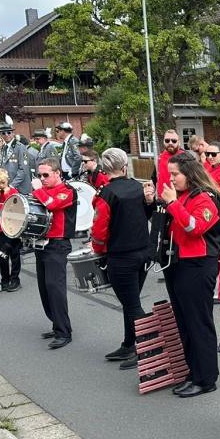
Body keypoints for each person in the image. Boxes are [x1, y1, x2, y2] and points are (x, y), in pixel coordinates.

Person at [160, 150, 220, 397]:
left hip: (198, 265)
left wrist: (173, 203)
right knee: (184, 322)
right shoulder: (183, 194)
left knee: (198, 323)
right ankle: (193, 371)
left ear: (189, 173)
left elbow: (194, 227)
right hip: (179, 263)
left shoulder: (205, 197)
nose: (172, 179)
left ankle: (206, 377)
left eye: (175, 174)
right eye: (170, 174)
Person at [90, 148, 152, 369]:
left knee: (132, 304)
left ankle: (147, 348)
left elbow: (99, 230)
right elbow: (147, 214)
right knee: (130, 301)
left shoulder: (106, 194)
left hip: (121, 257)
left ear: (106, 170)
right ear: (124, 166)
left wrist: (97, 249)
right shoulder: (138, 187)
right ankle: (129, 344)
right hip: (142, 253)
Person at [31, 159, 78, 348]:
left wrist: (37, 190)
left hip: (58, 244)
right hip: (41, 243)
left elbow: (51, 205)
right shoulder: (43, 190)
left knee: (55, 288)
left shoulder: (68, 191)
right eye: (39, 175)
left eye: (45, 175)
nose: (41, 179)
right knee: (45, 288)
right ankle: (56, 323)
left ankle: (64, 332)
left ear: (57, 173)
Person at [153, 130, 183, 195]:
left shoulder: (185, 157)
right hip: (162, 198)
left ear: (179, 142)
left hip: (177, 198)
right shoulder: (160, 157)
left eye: (174, 141)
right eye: (167, 140)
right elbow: (155, 177)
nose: (170, 143)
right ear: (164, 141)